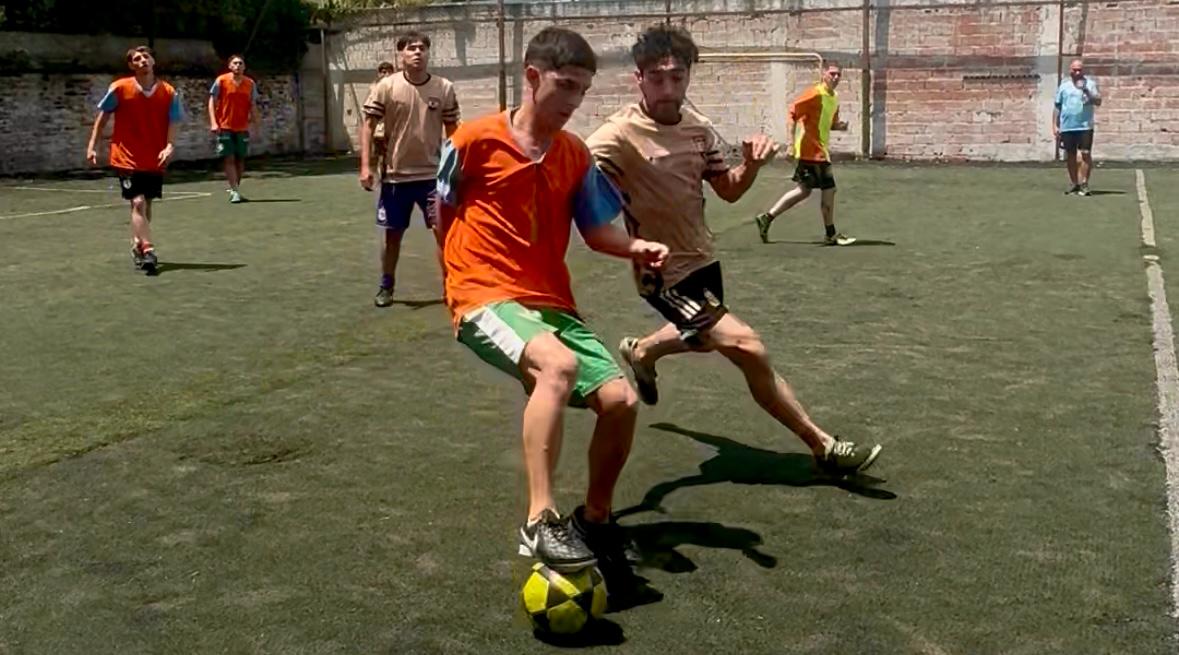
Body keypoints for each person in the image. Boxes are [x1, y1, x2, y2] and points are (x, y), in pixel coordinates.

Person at [586, 25, 881, 478]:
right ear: (639, 79)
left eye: (677, 77)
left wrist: (753, 165)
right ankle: (823, 446)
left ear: (689, 76)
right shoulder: (617, 134)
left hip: (703, 259)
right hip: (661, 273)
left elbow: (728, 190)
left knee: (703, 339)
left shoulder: (698, 129)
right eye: (657, 78)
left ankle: (643, 352)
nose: (668, 88)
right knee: (748, 347)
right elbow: (568, 169)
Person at [435, 27, 669, 573]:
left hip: (551, 302)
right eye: (565, 86)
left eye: (582, 90)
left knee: (621, 402)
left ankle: (595, 520)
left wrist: (635, 246)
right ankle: (540, 520)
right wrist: (456, 279)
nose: (573, 101)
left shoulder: (574, 155)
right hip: (483, 293)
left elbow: (596, 230)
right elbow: (442, 210)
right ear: (533, 77)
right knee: (557, 366)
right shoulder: (472, 140)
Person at [359, 31, 460, 308]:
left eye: (422, 48)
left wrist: (456, 166)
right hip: (396, 176)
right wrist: (366, 166)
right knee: (392, 235)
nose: (417, 52)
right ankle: (386, 286)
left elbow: (453, 130)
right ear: (401, 54)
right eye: (411, 48)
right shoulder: (386, 87)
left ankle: (452, 287)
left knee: (443, 233)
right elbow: (368, 126)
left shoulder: (444, 87)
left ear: (428, 53)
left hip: (432, 177)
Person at [86, 46, 183, 275]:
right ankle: (148, 249)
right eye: (137, 59)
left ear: (153, 61)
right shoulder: (120, 88)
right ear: (131, 66)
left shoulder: (169, 92)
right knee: (138, 202)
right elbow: (102, 118)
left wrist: (169, 146)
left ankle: (138, 243)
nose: (142, 61)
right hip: (126, 157)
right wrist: (92, 146)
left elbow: (174, 121)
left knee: (146, 203)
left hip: (153, 157)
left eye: (146, 57)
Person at [753, 62, 855, 246]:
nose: (836, 77)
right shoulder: (814, 94)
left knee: (803, 191)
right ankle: (830, 234)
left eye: (839, 74)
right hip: (812, 152)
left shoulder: (834, 98)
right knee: (829, 190)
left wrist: (839, 126)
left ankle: (767, 218)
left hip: (819, 151)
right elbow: (793, 113)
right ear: (823, 74)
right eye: (832, 74)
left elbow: (830, 123)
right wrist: (790, 145)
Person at [208, 54, 258, 204]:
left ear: (244, 66)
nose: (238, 66)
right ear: (230, 66)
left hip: (242, 126)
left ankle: (235, 187)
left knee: (240, 159)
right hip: (225, 126)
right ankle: (235, 191)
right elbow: (212, 102)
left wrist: (256, 123)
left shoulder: (250, 83)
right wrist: (213, 122)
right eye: (235, 63)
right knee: (229, 158)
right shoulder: (221, 81)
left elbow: (252, 104)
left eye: (240, 63)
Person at [1054, 59, 1102, 196]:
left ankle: (1084, 184)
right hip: (1068, 126)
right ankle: (1074, 183)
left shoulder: (1090, 84)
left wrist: (1087, 91)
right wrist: (1055, 125)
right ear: (1070, 70)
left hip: (1085, 126)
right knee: (1071, 155)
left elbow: (1098, 101)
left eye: (1079, 70)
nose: (1077, 72)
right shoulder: (1064, 86)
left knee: (1085, 154)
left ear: (1083, 71)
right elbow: (1057, 107)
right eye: (1074, 70)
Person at [370, 61, 396, 180]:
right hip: (379, 128)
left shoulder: (397, 86)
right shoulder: (375, 87)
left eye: (389, 72)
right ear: (379, 74)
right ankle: (378, 175)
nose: (386, 75)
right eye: (383, 72)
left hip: (393, 128)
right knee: (378, 153)